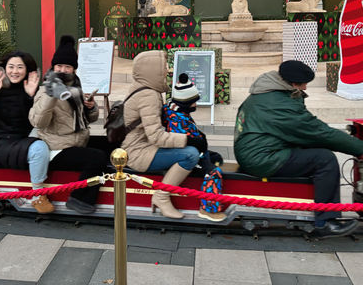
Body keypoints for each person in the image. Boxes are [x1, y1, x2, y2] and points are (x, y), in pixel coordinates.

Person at [234, 60, 363, 239]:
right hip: (261, 157)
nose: (306, 88)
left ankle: (317, 207)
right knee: (324, 159)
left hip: (257, 149)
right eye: (304, 84)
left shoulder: (269, 92)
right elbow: (316, 131)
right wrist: (361, 148)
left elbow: (310, 130)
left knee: (314, 150)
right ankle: (325, 222)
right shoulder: (280, 104)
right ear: (293, 84)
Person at [29, 35, 107, 214]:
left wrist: (91, 107)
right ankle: (79, 199)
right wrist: (51, 95)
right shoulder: (44, 90)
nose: (63, 70)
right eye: (59, 66)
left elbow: (89, 120)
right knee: (97, 157)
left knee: (109, 144)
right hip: (56, 148)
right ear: (53, 67)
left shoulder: (76, 87)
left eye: (67, 66)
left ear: (74, 69)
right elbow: (38, 122)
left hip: (76, 141)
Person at [0, 51, 54, 214]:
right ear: (4, 69)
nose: (15, 71)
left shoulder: (31, 88)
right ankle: (37, 194)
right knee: (39, 148)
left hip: (23, 139)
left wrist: (31, 97)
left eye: (20, 67)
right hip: (0, 143)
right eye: (11, 67)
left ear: (27, 70)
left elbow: (35, 121)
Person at [121, 50, 202, 219]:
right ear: (152, 70)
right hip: (138, 152)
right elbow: (156, 137)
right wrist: (189, 139)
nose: (167, 70)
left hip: (142, 145)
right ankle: (161, 196)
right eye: (163, 67)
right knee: (190, 155)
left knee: (188, 147)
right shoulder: (148, 95)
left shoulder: (147, 89)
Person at [162, 73, 227, 222]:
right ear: (186, 102)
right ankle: (208, 209)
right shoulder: (177, 118)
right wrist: (206, 158)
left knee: (213, 158)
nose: (196, 105)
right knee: (214, 172)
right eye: (193, 102)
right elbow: (186, 142)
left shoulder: (174, 110)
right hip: (184, 154)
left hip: (189, 150)